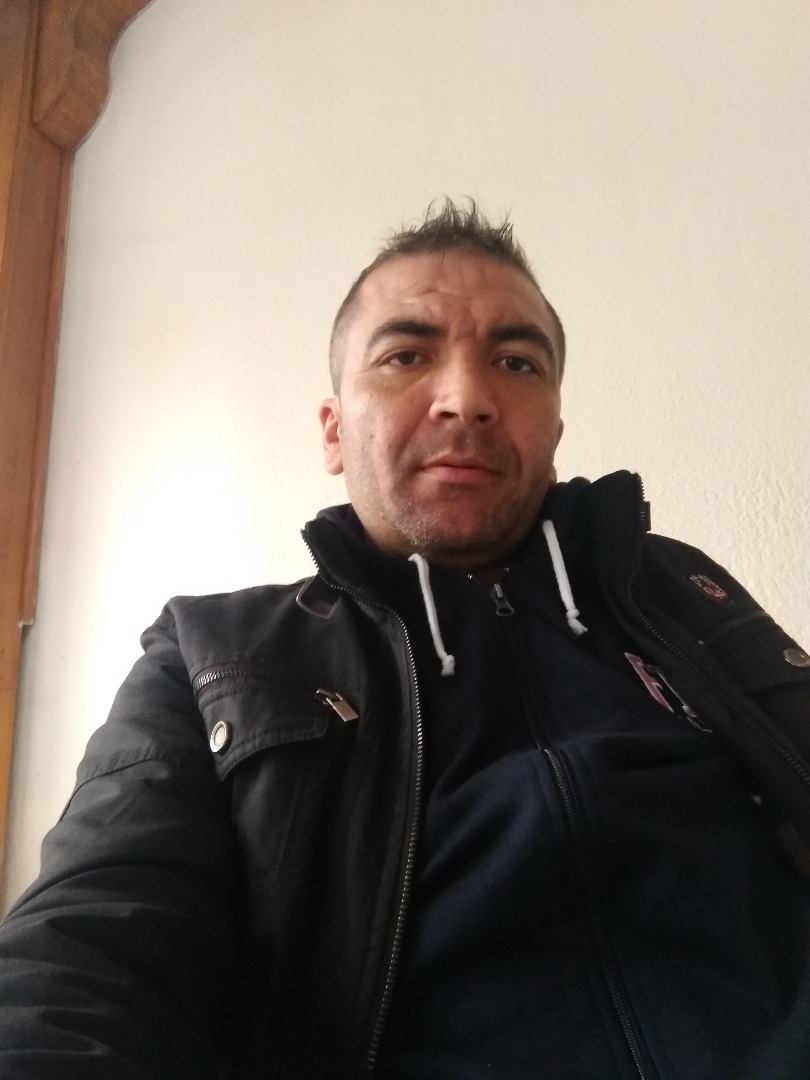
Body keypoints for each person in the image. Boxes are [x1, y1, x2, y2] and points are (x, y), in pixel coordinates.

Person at [1, 200, 809, 1080]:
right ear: (333, 431)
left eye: (515, 361)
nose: (467, 399)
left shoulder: (671, 588)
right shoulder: (212, 654)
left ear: (555, 429)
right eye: (406, 356)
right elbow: (86, 952)